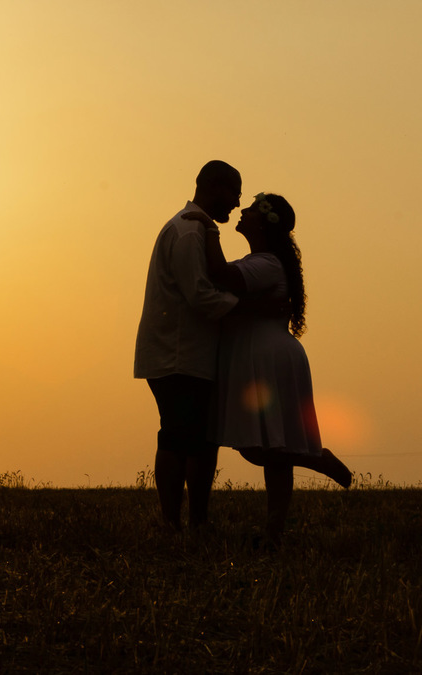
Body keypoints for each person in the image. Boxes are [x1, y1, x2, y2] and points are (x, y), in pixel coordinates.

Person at [183, 193, 352, 547]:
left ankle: (309, 468)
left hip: (265, 357)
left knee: (266, 447)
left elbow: (223, 275)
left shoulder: (267, 263)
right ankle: (285, 508)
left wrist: (209, 231)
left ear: (263, 221)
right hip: (263, 354)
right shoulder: (263, 261)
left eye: (250, 209)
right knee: (263, 447)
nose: (242, 211)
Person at [134, 160, 242, 532]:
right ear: (212, 186)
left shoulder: (194, 230)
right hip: (178, 353)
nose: (237, 203)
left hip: (185, 353)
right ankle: (172, 522)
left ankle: (193, 521)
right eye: (234, 193)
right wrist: (245, 309)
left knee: (197, 438)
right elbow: (199, 295)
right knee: (180, 436)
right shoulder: (189, 233)